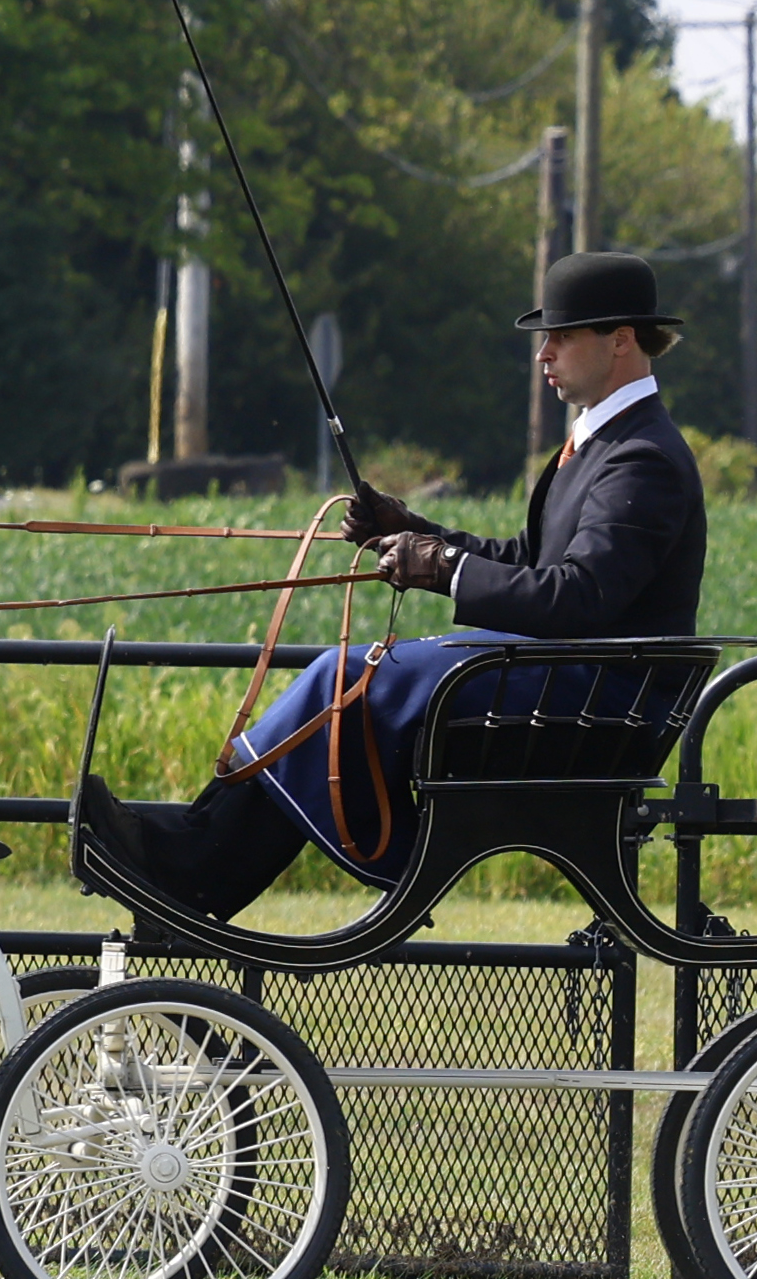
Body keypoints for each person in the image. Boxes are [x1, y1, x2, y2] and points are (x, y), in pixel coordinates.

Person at [79, 250, 711, 919]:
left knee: (347, 678)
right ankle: (193, 850)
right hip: (559, 676)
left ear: (618, 340)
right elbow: (530, 561)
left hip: (597, 699)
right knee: (345, 676)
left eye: (559, 336)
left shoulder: (640, 457)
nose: (542, 354)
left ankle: (197, 867)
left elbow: (576, 596)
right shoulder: (599, 444)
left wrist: (439, 565)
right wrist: (417, 531)